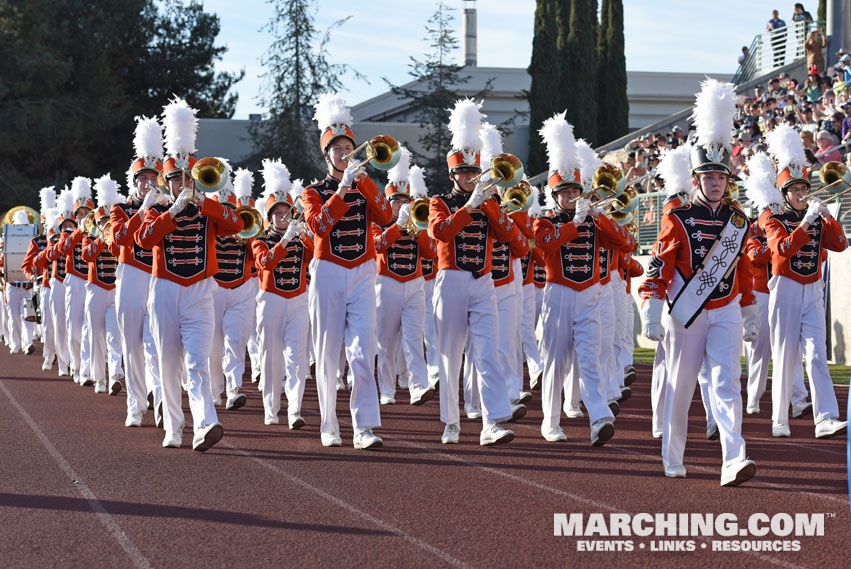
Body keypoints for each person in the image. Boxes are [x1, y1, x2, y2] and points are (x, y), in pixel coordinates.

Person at [640, 79, 758, 486]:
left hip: (725, 310)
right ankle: (673, 456)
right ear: (696, 179)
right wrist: (652, 307)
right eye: (708, 177)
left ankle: (733, 458)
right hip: (686, 313)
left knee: (727, 384)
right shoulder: (678, 217)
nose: (714, 183)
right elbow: (658, 266)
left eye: (720, 177)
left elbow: (741, 268)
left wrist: (749, 309)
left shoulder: (738, 221)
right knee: (680, 386)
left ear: (728, 180)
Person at [136, 97, 242, 452]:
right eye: (175, 178)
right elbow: (143, 238)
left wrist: (203, 203)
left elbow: (237, 224)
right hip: (165, 289)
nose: (181, 183)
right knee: (167, 362)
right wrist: (172, 211)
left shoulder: (208, 208)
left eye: (186, 177)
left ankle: (205, 423)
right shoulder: (156, 210)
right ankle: (173, 426)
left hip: (200, 291)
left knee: (198, 360)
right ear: (166, 182)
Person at [428, 98, 526, 446]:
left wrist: (492, 208)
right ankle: (451, 423)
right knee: (450, 356)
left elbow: (519, 245)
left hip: (484, 282)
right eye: (463, 173)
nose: (470, 178)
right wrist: (469, 208)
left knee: (488, 352)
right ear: (453, 175)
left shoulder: (490, 202)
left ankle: (491, 422)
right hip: (451, 280)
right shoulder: (440, 202)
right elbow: (440, 232)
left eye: (474, 172)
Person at [302, 94, 392, 449]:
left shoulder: (365, 186)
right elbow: (318, 226)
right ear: (327, 155)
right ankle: (329, 424)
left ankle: (364, 426)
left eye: (348, 147)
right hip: (326, 271)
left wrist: (365, 183)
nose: (344, 154)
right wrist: (341, 190)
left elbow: (385, 217)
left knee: (362, 350)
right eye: (337, 149)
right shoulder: (313, 191)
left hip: (362, 271)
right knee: (327, 354)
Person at [535, 112, 627, 444]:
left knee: (590, 358)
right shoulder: (545, 221)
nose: (571, 197)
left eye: (575, 191)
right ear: (555, 196)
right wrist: (574, 223)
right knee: (556, 362)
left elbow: (626, 243)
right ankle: (550, 421)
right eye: (565, 193)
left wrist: (599, 215)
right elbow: (544, 246)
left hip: (589, 296)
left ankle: (599, 417)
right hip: (558, 294)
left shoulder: (595, 219)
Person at [763, 123, 848, 439]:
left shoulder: (814, 214)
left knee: (816, 353)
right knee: (785, 356)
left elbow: (839, 245)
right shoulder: (774, 221)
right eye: (795, 191)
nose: (801, 195)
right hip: (784, 287)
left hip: (813, 290)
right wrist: (808, 220)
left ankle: (825, 417)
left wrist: (828, 218)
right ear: (784, 194)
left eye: (804, 190)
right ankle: (779, 418)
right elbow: (783, 250)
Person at [372, 149, 437, 407]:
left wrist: (418, 228)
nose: (402, 205)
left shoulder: (417, 222)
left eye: (405, 201)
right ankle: (386, 388)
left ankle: (418, 385)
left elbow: (431, 253)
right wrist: (397, 226)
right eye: (397, 201)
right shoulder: (380, 222)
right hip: (386, 282)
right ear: (389, 202)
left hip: (415, 284)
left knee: (413, 338)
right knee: (386, 342)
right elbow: (377, 245)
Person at [111, 115, 164, 428]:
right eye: (142, 179)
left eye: (152, 178)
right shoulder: (121, 208)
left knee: (157, 341)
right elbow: (118, 237)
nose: (147, 183)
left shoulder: (166, 206)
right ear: (134, 184)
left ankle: (159, 396)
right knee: (131, 344)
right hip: (131, 273)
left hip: (159, 276)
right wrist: (143, 209)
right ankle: (135, 404)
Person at [253, 161, 313, 428]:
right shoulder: (260, 240)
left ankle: (295, 409)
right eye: (276, 213)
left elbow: (316, 256)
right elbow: (266, 263)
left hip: (299, 299)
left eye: (286, 212)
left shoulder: (300, 237)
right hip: (271, 300)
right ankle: (271, 408)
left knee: (297, 357)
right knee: (271, 357)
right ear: (269, 217)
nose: (282, 217)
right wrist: (286, 239)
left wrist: (305, 234)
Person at [209, 166, 255, 411]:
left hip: (241, 288)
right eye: (222, 210)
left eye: (231, 210)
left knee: (236, 340)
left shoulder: (245, 226)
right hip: (214, 289)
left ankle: (234, 387)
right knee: (213, 344)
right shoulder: (208, 227)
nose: (227, 215)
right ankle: (215, 390)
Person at [81, 175, 123, 395]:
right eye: (102, 223)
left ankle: (115, 374)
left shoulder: (116, 239)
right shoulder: (89, 239)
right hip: (96, 289)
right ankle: (99, 378)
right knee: (96, 335)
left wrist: (112, 236)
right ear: (96, 225)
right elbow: (87, 256)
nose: (106, 225)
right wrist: (101, 237)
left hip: (114, 290)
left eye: (108, 221)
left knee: (114, 335)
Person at [55, 177, 94, 385]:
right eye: (80, 214)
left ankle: (86, 369)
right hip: (75, 281)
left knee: (90, 327)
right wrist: (80, 230)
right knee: (75, 327)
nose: (84, 217)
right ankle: (76, 366)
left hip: (93, 281)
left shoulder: (97, 229)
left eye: (87, 214)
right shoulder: (68, 233)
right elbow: (64, 249)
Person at [23, 187, 57, 370]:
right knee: (49, 325)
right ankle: (49, 354)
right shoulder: (37, 242)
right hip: (44, 284)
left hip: (64, 284)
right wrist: (33, 277)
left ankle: (64, 356)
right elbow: (26, 265)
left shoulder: (64, 239)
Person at [6, 209, 37, 355]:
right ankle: (15, 343)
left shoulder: (34, 239)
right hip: (13, 285)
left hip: (28, 286)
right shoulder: (7, 239)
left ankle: (28, 343)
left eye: (25, 225)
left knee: (28, 316)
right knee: (14, 317)